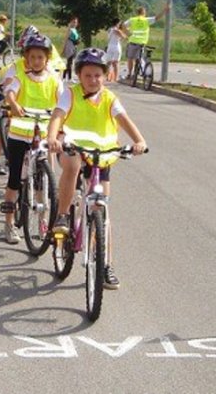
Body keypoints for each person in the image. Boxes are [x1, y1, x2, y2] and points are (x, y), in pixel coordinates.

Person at [46, 48, 147, 288]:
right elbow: (58, 116)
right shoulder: (70, 94)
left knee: (103, 211)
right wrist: (52, 137)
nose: (93, 80)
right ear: (79, 76)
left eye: (98, 76)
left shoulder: (110, 98)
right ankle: (62, 216)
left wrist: (139, 141)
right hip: (73, 148)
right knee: (72, 165)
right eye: (88, 75)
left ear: (105, 75)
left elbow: (124, 120)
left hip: (101, 155)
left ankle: (106, 265)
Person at [0, 32, 63, 244]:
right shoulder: (22, 76)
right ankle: (9, 224)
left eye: (40, 57)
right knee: (15, 179)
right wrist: (14, 104)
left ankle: (43, 221)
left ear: (47, 59)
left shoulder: (54, 79)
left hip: (43, 133)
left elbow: (63, 103)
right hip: (20, 132)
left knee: (44, 182)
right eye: (32, 57)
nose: (36, 61)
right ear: (27, 57)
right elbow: (10, 90)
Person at [123, 4, 169, 79]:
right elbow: (157, 18)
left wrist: (127, 33)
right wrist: (164, 10)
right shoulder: (146, 20)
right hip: (142, 42)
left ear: (137, 13)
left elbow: (123, 25)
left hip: (133, 41)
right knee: (140, 57)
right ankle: (144, 71)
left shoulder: (132, 20)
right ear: (144, 13)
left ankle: (129, 74)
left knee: (130, 58)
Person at [62, 17, 80, 81]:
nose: (75, 23)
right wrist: (63, 48)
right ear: (71, 22)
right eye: (74, 22)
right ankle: (68, 77)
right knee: (69, 62)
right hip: (69, 46)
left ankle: (65, 77)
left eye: (76, 22)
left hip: (74, 46)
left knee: (70, 62)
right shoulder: (70, 29)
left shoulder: (75, 30)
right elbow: (66, 38)